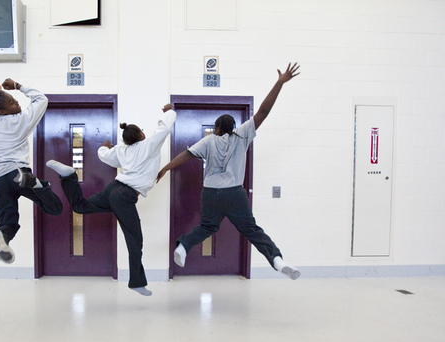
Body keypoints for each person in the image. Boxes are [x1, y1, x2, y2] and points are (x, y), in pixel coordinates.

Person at [156, 63, 301, 279]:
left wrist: (165, 168)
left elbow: (186, 154)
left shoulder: (208, 141)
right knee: (251, 230)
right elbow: (264, 111)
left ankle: (183, 247)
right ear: (233, 127)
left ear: (216, 128)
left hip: (210, 193)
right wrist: (279, 83)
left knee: (207, 227)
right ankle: (277, 261)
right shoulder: (242, 134)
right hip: (234, 193)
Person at [46, 104, 177, 296]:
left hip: (113, 189)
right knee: (135, 239)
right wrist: (169, 112)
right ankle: (137, 282)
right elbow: (163, 128)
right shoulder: (149, 145)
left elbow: (105, 156)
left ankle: (68, 177)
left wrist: (104, 147)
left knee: (81, 206)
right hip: (125, 195)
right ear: (141, 134)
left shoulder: (122, 150)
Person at [0, 78, 62, 264]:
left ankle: (0, 237)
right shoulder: (21, 121)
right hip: (18, 173)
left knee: (8, 223)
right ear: (2, 111)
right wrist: (17, 86)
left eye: (14, 99)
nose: (17, 103)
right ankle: (36, 183)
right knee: (55, 208)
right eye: (12, 102)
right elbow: (41, 99)